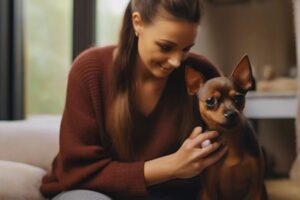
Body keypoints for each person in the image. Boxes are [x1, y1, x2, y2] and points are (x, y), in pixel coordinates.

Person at [40, 0, 228, 199]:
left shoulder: (203, 74)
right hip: (93, 192)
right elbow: (78, 173)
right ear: (138, 23)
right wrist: (171, 166)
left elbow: (233, 143)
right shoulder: (89, 71)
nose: (176, 61)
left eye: (186, 49)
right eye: (166, 47)